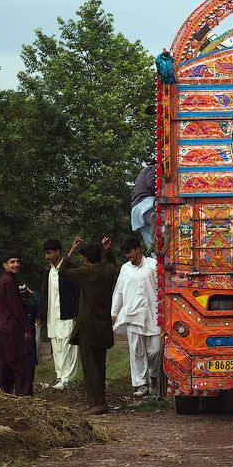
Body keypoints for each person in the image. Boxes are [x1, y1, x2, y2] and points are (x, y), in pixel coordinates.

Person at [58, 237, 119, 415]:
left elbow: (62, 271)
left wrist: (71, 251)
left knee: (90, 365)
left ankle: (96, 404)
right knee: (100, 364)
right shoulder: (107, 271)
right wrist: (108, 250)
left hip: (87, 326)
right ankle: (102, 401)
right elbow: (112, 263)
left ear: (86, 260)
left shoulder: (86, 272)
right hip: (104, 325)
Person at [111, 237, 160, 399]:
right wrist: (114, 313)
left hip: (152, 314)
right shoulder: (125, 269)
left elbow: (161, 287)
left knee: (155, 350)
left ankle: (154, 377)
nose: (128, 256)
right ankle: (141, 384)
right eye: (125, 254)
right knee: (136, 351)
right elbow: (119, 291)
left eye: (130, 252)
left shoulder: (153, 265)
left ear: (138, 249)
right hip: (132, 314)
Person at [38, 239, 81, 390]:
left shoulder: (70, 269)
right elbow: (44, 294)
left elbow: (77, 293)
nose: (47, 256)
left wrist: (77, 313)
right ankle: (59, 376)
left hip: (68, 313)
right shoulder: (47, 271)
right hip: (52, 315)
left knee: (68, 345)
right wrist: (40, 314)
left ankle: (68, 378)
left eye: (49, 253)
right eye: (46, 253)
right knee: (56, 344)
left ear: (57, 252)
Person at [0, 250, 34, 396]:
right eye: (12, 262)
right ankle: (23, 396)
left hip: (3, 327)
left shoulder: (5, 279)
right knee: (21, 362)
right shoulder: (9, 281)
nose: (16, 265)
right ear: (5, 265)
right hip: (11, 327)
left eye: (17, 261)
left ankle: (3, 393)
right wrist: (26, 329)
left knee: (6, 362)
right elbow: (16, 307)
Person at [131, 162, 157, 251]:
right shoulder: (153, 168)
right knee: (169, 223)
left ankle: (156, 261)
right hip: (145, 204)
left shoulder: (144, 171)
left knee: (151, 241)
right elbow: (151, 183)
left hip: (137, 210)